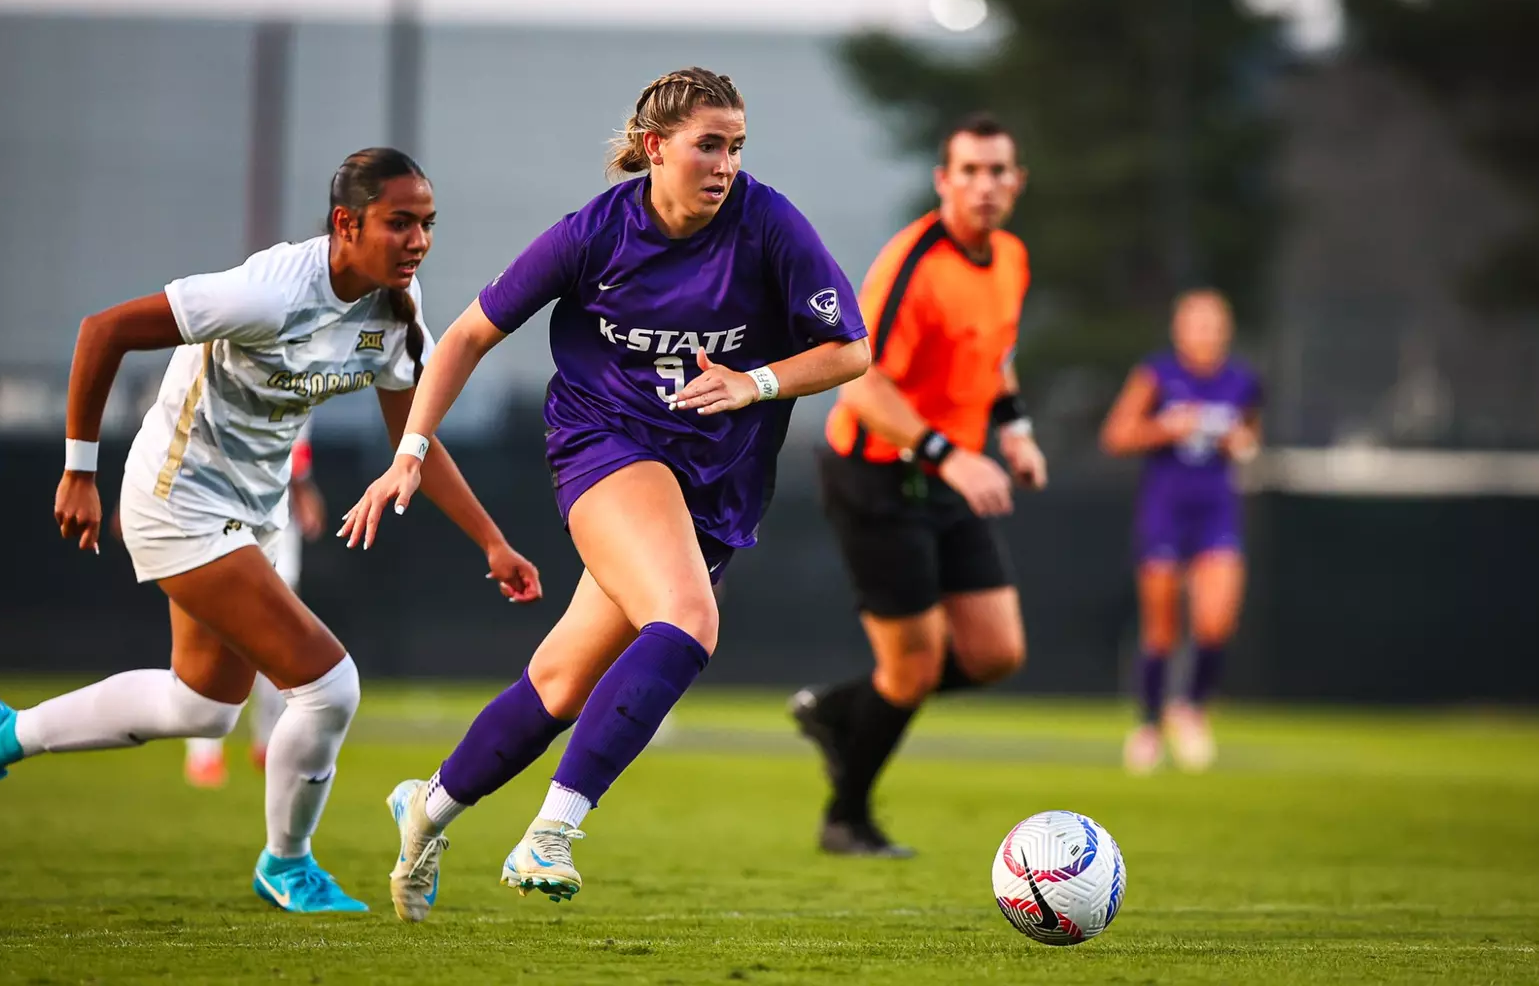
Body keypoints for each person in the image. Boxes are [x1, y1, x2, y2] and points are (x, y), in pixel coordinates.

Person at [338, 67, 871, 921]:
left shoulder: (767, 222)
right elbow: (469, 334)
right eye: (707, 144)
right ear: (654, 148)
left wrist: (757, 382)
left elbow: (850, 349)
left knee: (559, 685)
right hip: (607, 446)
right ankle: (553, 831)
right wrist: (411, 448)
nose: (725, 163)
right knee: (691, 618)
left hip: (717, 479)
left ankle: (427, 808)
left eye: (736, 146)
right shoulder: (595, 233)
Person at [0, 148, 541, 914]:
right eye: (399, 223)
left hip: (254, 510)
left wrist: (491, 542)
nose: (417, 241)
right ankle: (288, 861)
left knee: (200, 707)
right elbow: (102, 330)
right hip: (179, 500)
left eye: (426, 225)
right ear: (347, 223)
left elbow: (416, 443)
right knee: (329, 686)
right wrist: (78, 470)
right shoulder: (269, 292)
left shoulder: (390, 308)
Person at [790, 113, 1047, 858]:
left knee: (996, 652)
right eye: (969, 170)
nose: (985, 185)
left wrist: (1017, 427)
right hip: (876, 477)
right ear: (944, 181)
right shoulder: (912, 262)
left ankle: (840, 709)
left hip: (945, 476)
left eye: (999, 171)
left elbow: (995, 354)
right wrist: (951, 453)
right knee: (914, 666)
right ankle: (847, 817)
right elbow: (858, 382)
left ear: (1017, 181)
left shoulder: (1010, 259)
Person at [1099, 289, 1261, 774]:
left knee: (1216, 620)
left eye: (1213, 325)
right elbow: (1116, 436)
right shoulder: (1158, 375)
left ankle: (1190, 709)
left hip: (1217, 510)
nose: (1205, 334)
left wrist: (1241, 442)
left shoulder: (1243, 382)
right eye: (1196, 324)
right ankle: (1148, 724)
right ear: (1179, 329)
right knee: (1161, 626)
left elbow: (1250, 437)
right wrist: (1165, 429)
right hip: (1165, 510)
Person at [182, 423, 322, 788]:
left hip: (275, 520)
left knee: (277, 637)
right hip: (222, 512)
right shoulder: (217, 370)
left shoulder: (309, 373)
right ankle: (204, 749)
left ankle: (268, 740)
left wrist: (303, 492)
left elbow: (296, 452)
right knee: (219, 632)